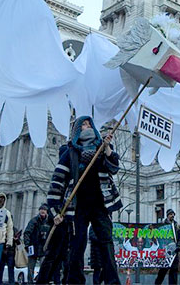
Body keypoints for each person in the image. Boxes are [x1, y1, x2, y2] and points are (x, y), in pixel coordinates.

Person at [45, 116, 122, 285]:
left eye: (88, 124)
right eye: (82, 125)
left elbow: (114, 167)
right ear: (76, 130)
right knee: (77, 245)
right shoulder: (70, 152)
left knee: (106, 243)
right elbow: (57, 182)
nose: (86, 126)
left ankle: (112, 282)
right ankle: (74, 281)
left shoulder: (102, 147)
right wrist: (55, 210)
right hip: (77, 205)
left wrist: (107, 148)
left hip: (100, 204)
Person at [22, 204, 52, 284]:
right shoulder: (33, 221)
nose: (42, 211)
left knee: (44, 267)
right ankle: (30, 283)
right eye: (41, 209)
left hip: (43, 248)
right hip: (33, 247)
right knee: (31, 268)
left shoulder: (49, 222)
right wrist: (27, 245)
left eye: (44, 210)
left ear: (47, 212)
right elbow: (27, 233)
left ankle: (41, 282)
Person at [154, 209, 180, 285]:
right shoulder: (162, 225)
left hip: (174, 253)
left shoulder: (177, 225)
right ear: (167, 215)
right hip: (165, 253)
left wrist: (178, 246)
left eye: (173, 214)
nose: (172, 216)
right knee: (162, 272)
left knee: (173, 272)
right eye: (171, 214)